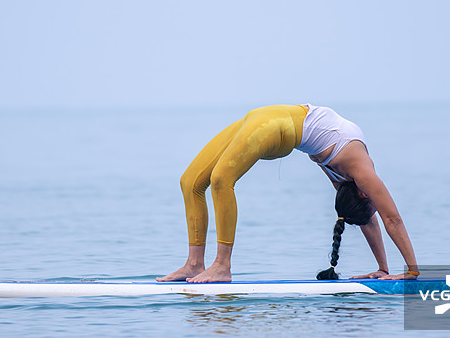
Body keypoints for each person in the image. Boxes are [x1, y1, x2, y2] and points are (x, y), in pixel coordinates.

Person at [156, 104, 420, 283]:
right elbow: (389, 218)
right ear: (364, 195)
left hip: (275, 128)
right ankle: (194, 263)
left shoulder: (352, 178)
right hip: (260, 118)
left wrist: (398, 270)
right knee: (190, 181)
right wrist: (401, 269)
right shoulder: (360, 175)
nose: (376, 206)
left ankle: (222, 266)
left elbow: (372, 218)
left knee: (221, 179)